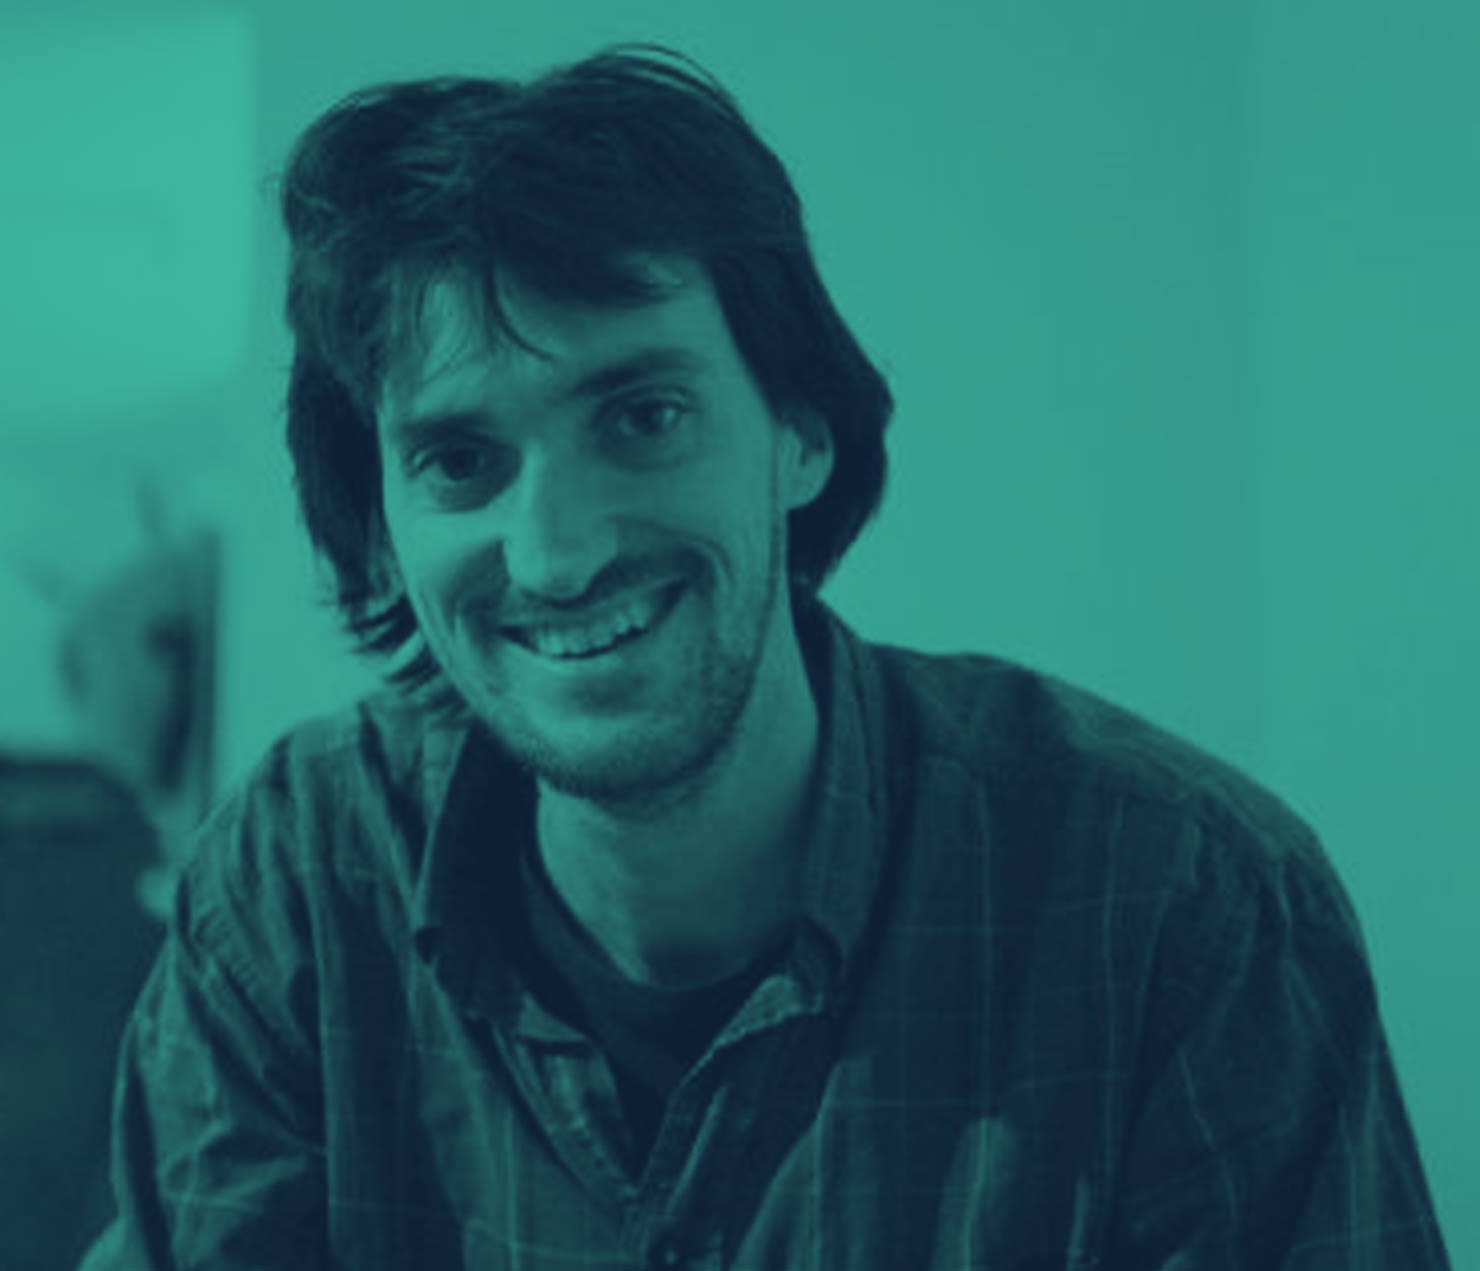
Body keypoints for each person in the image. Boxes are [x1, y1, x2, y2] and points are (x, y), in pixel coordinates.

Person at [77, 43, 1451, 1269]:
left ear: (801, 433)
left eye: (644, 416)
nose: (555, 555)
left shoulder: (1177, 901)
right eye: (460, 459)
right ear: (384, 530)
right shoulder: (297, 882)